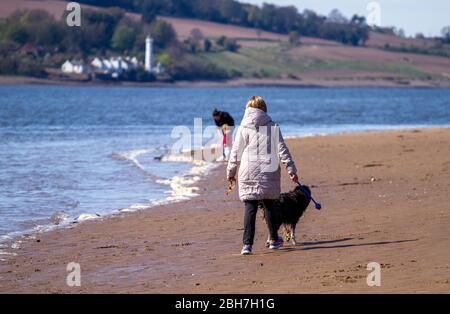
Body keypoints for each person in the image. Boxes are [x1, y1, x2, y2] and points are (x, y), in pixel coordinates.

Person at [226, 96, 298, 255]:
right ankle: (273, 240)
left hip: (247, 171)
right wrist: (292, 171)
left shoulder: (243, 127)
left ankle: (247, 245)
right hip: (268, 170)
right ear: (263, 108)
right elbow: (282, 150)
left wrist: (231, 173)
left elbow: (235, 153)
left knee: (250, 206)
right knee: (270, 204)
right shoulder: (272, 126)